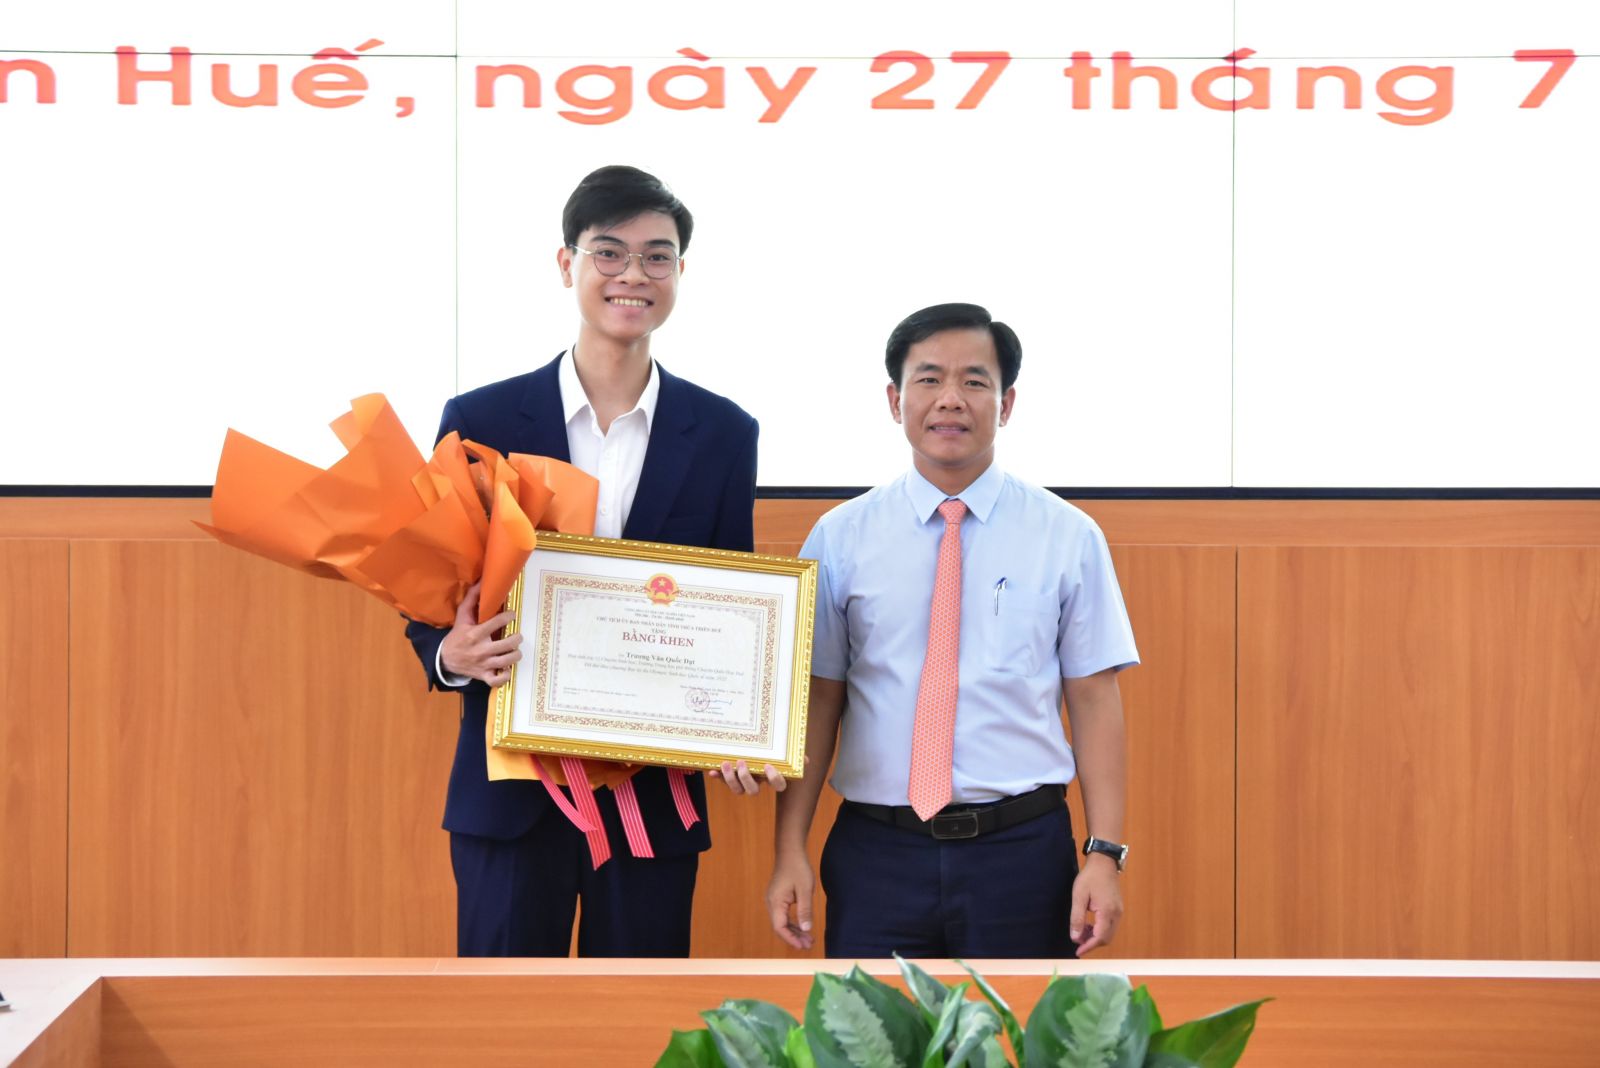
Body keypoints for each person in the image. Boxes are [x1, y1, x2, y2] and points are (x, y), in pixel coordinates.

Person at [404, 165, 763, 957]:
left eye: (657, 256)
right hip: (511, 792)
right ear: (567, 264)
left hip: (652, 795)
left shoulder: (725, 432)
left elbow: (730, 602)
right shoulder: (482, 417)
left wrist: (744, 721)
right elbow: (431, 600)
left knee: (636, 1028)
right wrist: (449, 656)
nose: (634, 275)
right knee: (498, 1032)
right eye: (610, 252)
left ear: (679, 273)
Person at [757, 302, 1139, 958]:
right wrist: (789, 849)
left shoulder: (1067, 536)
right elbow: (818, 703)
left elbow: (1095, 699)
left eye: (975, 381)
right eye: (929, 379)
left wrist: (1102, 855)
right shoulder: (841, 537)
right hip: (877, 852)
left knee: (1017, 1053)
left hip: (1022, 853)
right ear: (894, 398)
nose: (951, 400)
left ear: (1007, 402)